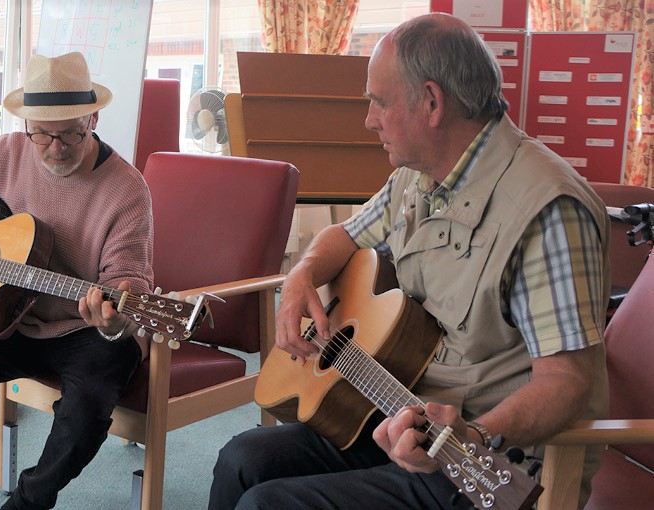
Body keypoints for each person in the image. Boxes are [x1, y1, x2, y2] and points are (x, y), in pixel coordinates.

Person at [209, 13, 610, 510]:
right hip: (395, 410)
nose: (369, 119)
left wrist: (471, 434)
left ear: (432, 102)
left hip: (483, 462)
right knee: (241, 458)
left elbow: (567, 380)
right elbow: (343, 235)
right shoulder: (417, 177)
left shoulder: (547, 210)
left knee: (268, 505)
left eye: (378, 102)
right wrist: (301, 275)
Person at [0, 51, 153, 510]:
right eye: (41, 133)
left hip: (84, 330)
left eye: (70, 133)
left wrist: (113, 317)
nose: (54, 146)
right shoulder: (5, 152)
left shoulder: (127, 190)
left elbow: (128, 282)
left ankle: (27, 501)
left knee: (96, 393)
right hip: (12, 320)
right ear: (25, 125)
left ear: (94, 118)